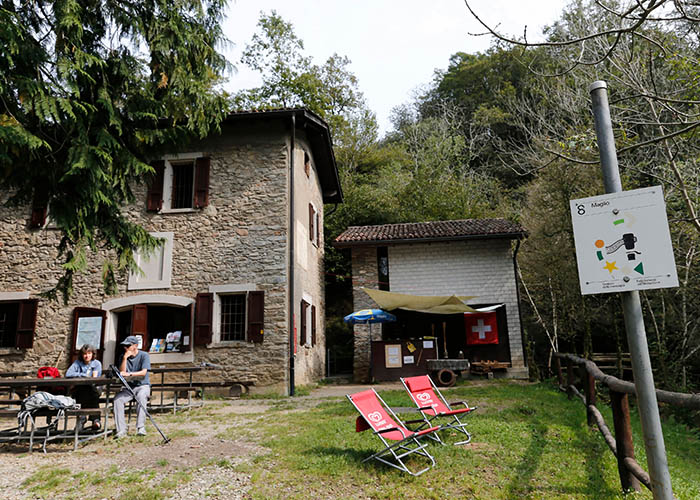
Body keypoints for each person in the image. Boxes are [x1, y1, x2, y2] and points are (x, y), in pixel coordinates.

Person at [113, 336, 151, 438]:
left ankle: (141, 427)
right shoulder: (123, 356)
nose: (126, 348)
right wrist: (125, 358)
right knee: (117, 400)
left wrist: (130, 374)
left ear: (135, 346)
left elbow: (143, 373)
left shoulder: (144, 355)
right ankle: (121, 430)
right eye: (124, 346)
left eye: (128, 346)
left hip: (142, 386)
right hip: (128, 387)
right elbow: (122, 372)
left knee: (141, 396)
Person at [65, 344, 102, 431]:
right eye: (85, 354)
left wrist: (81, 377)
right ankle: (94, 419)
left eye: (89, 353)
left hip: (94, 389)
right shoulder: (77, 363)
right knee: (83, 390)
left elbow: (95, 378)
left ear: (93, 354)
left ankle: (83, 418)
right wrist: (82, 375)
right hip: (80, 389)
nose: (87, 356)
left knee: (90, 390)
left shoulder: (97, 363)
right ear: (81, 355)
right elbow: (68, 374)